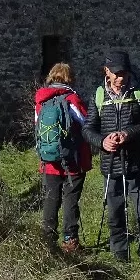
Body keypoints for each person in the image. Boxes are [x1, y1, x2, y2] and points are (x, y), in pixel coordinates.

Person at [83, 50, 140, 261]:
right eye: (115, 73)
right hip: (112, 166)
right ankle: (120, 258)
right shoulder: (98, 95)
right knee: (115, 216)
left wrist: (128, 133)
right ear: (106, 71)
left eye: (124, 73)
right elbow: (88, 129)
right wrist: (102, 142)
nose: (120, 78)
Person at [34, 62, 92, 252]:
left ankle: (48, 239)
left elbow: (38, 127)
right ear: (70, 78)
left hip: (49, 161)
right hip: (72, 160)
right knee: (70, 199)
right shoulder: (72, 99)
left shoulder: (41, 100)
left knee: (51, 199)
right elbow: (86, 124)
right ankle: (70, 240)